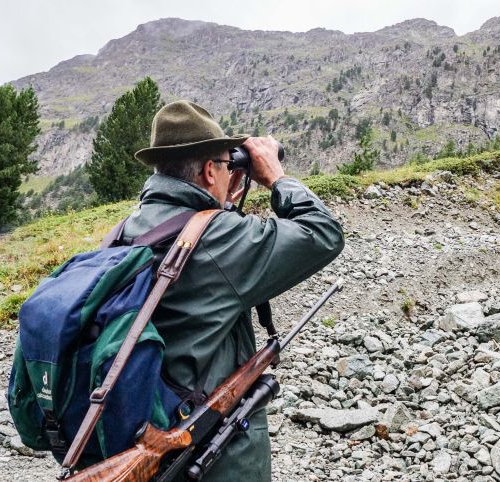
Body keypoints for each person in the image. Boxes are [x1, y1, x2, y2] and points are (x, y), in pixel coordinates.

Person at [125, 100, 344, 481]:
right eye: (228, 163)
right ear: (210, 170)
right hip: (209, 462)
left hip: (137, 438)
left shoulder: (127, 230)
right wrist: (276, 177)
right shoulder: (218, 238)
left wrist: (220, 200)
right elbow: (322, 233)